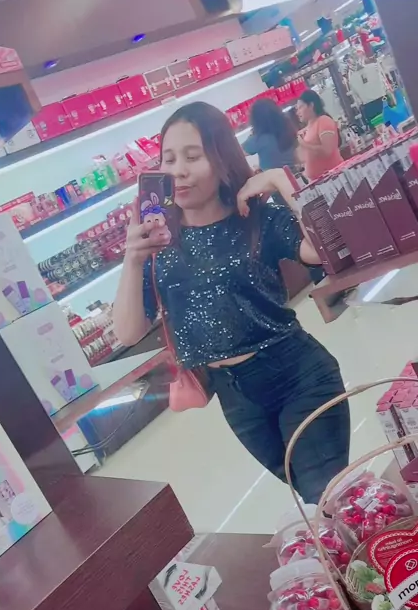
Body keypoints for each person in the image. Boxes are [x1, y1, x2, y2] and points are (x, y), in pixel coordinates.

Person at [113, 102, 350, 503]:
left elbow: (326, 249)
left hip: (298, 375)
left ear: (221, 157)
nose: (178, 171)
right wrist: (132, 259)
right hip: (237, 400)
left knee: (327, 497)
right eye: (168, 158)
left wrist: (283, 182)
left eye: (193, 156)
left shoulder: (256, 218)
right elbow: (128, 332)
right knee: (314, 500)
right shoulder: (157, 241)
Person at [296, 89, 343, 181]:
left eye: (300, 107)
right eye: (297, 109)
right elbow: (304, 157)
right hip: (319, 180)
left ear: (311, 105)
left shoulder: (323, 121)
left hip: (333, 177)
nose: (298, 112)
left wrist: (304, 144)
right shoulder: (307, 128)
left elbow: (327, 151)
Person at [242, 97, 297, 171]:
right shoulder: (287, 129)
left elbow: (239, 153)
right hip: (294, 173)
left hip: (274, 177)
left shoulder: (258, 139)